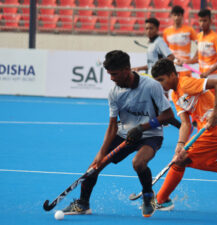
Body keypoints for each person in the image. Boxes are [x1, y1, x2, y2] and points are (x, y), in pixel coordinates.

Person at [61, 50, 175, 218]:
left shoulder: (151, 86)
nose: (111, 78)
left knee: (138, 163)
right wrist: (101, 154)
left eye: (114, 74)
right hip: (124, 134)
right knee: (94, 167)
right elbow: (112, 126)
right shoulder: (114, 93)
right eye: (109, 74)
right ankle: (83, 204)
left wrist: (142, 128)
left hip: (151, 134)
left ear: (126, 69)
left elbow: (168, 115)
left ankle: (148, 195)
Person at [151, 58, 217, 210]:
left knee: (180, 161)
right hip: (208, 131)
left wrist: (216, 113)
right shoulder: (176, 95)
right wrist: (180, 144)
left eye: (162, 80)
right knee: (203, 162)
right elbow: (185, 123)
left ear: (172, 75)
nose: (161, 85)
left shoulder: (185, 83)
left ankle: (161, 200)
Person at [176, 9, 217, 143]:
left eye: (205, 20)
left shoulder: (214, 37)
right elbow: (196, 59)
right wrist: (184, 62)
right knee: (207, 106)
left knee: (213, 107)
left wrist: (209, 71)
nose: (202, 23)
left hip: (214, 79)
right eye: (200, 20)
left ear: (210, 21)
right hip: (202, 78)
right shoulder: (199, 37)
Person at [132, 17, 181, 129]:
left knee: (159, 110)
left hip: (157, 81)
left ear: (157, 29)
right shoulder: (151, 43)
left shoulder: (159, 42)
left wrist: (160, 72)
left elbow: (170, 57)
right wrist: (138, 68)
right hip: (151, 79)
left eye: (151, 28)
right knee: (160, 110)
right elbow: (152, 64)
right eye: (147, 28)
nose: (148, 30)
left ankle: (182, 127)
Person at [163, 5, 198, 77]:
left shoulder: (189, 30)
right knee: (173, 88)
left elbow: (200, 45)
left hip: (184, 67)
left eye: (179, 15)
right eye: (175, 15)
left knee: (185, 87)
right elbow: (164, 49)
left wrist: (193, 59)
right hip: (172, 67)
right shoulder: (167, 31)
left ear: (182, 16)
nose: (177, 18)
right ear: (172, 16)